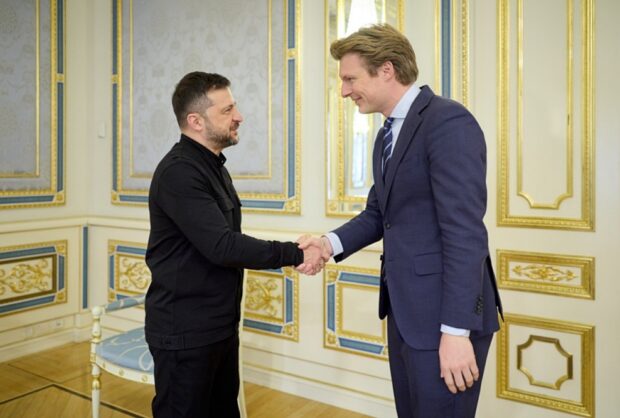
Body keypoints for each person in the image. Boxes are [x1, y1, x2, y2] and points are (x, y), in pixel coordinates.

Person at [298, 24, 503, 417]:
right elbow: (379, 214)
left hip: (446, 320)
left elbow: (465, 233)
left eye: (350, 79)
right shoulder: (386, 135)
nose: (344, 91)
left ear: (386, 70)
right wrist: (326, 244)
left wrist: (456, 331)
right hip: (406, 313)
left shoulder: (447, 122)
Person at [145, 71, 323, 418]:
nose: (239, 116)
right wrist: (296, 252)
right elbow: (224, 246)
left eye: (234, 107)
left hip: (218, 328)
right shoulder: (179, 172)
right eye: (227, 110)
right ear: (196, 121)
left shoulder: (213, 167)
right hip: (185, 333)